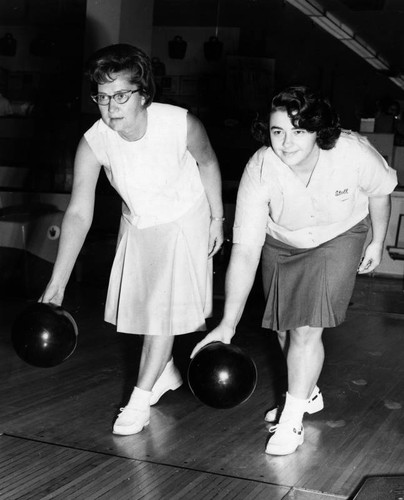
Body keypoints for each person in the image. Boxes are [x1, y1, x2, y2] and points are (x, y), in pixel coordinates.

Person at [191, 85, 397, 456]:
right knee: (285, 329)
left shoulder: (352, 152)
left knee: (305, 329)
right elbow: (245, 250)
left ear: (319, 130)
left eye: (298, 130)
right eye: (277, 131)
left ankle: (292, 419)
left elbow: (380, 192)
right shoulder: (260, 168)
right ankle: (308, 392)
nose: (286, 143)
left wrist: (377, 241)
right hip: (282, 241)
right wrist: (228, 323)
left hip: (340, 234)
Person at [40, 43, 224, 436]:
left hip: (184, 214)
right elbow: (78, 213)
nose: (111, 107)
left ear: (144, 95)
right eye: (102, 97)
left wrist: (217, 218)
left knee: (162, 312)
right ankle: (165, 371)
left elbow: (208, 162)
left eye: (121, 95)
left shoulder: (180, 123)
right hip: (138, 218)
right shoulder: (94, 141)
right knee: (143, 310)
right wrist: (56, 284)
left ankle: (139, 399)